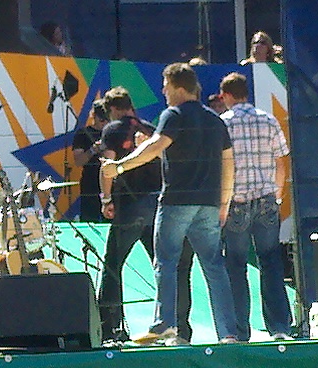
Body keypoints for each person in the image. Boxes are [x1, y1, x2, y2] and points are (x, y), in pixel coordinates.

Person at [101, 63, 237, 345]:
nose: (163, 91)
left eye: (165, 86)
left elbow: (153, 147)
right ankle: (228, 332)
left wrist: (120, 167)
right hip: (209, 204)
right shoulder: (215, 120)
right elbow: (229, 164)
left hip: (176, 201)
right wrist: (224, 202)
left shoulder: (173, 115)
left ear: (177, 87)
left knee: (166, 261)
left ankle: (165, 325)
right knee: (214, 266)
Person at [97, 87, 194, 344]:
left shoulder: (112, 130)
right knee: (164, 267)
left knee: (112, 266)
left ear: (113, 110)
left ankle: (110, 327)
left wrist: (106, 199)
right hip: (157, 204)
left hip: (129, 205)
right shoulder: (152, 128)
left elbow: (107, 166)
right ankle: (173, 325)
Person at [218, 72, 292, 341]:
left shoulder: (223, 123)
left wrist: (222, 204)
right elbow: (281, 162)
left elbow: (221, 167)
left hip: (236, 202)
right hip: (266, 201)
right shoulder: (268, 120)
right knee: (271, 262)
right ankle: (280, 328)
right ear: (246, 93)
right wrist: (278, 196)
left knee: (236, 266)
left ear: (226, 95)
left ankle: (239, 331)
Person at [72, 99, 110, 223]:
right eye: (101, 119)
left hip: (110, 182)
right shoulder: (83, 134)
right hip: (90, 183)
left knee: (109, 220)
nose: (104, 123)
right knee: (89, 219)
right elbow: (78, 161)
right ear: (93, 116)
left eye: (107, 119)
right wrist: (92, 150)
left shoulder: (111, 132)